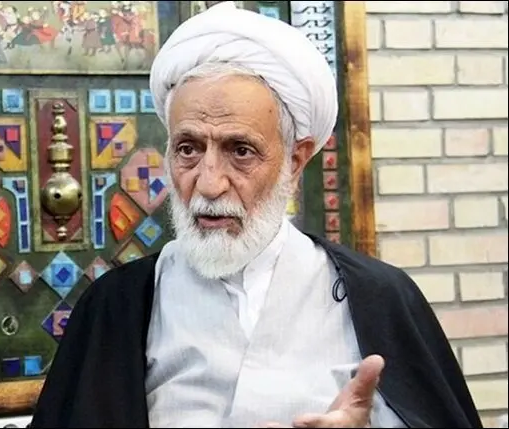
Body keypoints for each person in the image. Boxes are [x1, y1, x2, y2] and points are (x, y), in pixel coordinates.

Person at [30, 2, 482, 428]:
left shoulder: (381, 297)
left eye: (240, 151)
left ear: (295, 161)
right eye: (188, 149)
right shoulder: (115, 307)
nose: (209, 184)